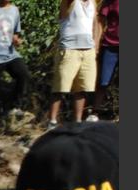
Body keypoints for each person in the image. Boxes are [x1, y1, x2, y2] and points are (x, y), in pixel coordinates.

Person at [47, 0, 101, 128]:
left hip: (88, 50)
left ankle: (77, 122)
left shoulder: (92, 3)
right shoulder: (69, 2)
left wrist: (96, 44)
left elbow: (96, 23)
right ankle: (52, 121)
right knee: (60, 88)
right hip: (69, 49)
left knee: (82, 89)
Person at [89, 0, 119, 121]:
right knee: (103, 81)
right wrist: (96, 44)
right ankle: (95, 112)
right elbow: (100, 21)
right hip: (110, 45)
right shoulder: (111, 1)